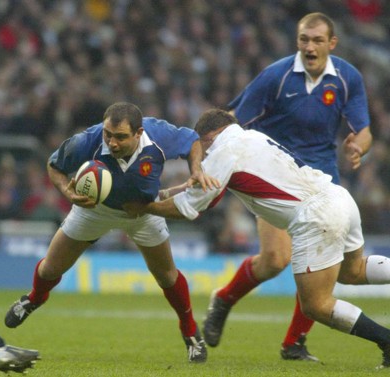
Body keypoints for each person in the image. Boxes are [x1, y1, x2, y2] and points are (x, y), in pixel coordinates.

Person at [125, 109, 390, 369]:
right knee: (352, 271)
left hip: (316, 217)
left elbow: (190, 207)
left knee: (315, 305)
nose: (200, 153)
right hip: (339, 197)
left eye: (200, 146)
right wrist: (160, 195)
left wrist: (145, 208)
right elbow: (201, 189)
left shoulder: (222, 151)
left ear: (208, 137)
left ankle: (386, 341)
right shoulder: (253, 137)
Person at [203, 12, 373, 361]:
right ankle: (224, 298)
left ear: (332, 43)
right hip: (277, 175)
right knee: (275, 259)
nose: (309, 47)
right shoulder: (276, 77)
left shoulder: (346, 78)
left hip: (322, 178)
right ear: (297, 41)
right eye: (303, 40)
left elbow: (364, 129)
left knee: (322, 267)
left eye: (316, 40)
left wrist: (359, 147)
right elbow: (232, 118)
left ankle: (294, 344)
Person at [4, 101, 218, 363]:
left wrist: (196, 169)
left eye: (120, 137)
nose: (112, 143)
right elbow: (54, 165)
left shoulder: (159, 135)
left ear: (138, 134)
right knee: (50, 269)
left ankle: (190, 331)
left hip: (144, 212)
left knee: (166, 275)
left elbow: (193, 141)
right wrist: (68, 192)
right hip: (95, 210)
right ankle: (34, 299)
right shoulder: (88, 141)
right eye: (109, 135)